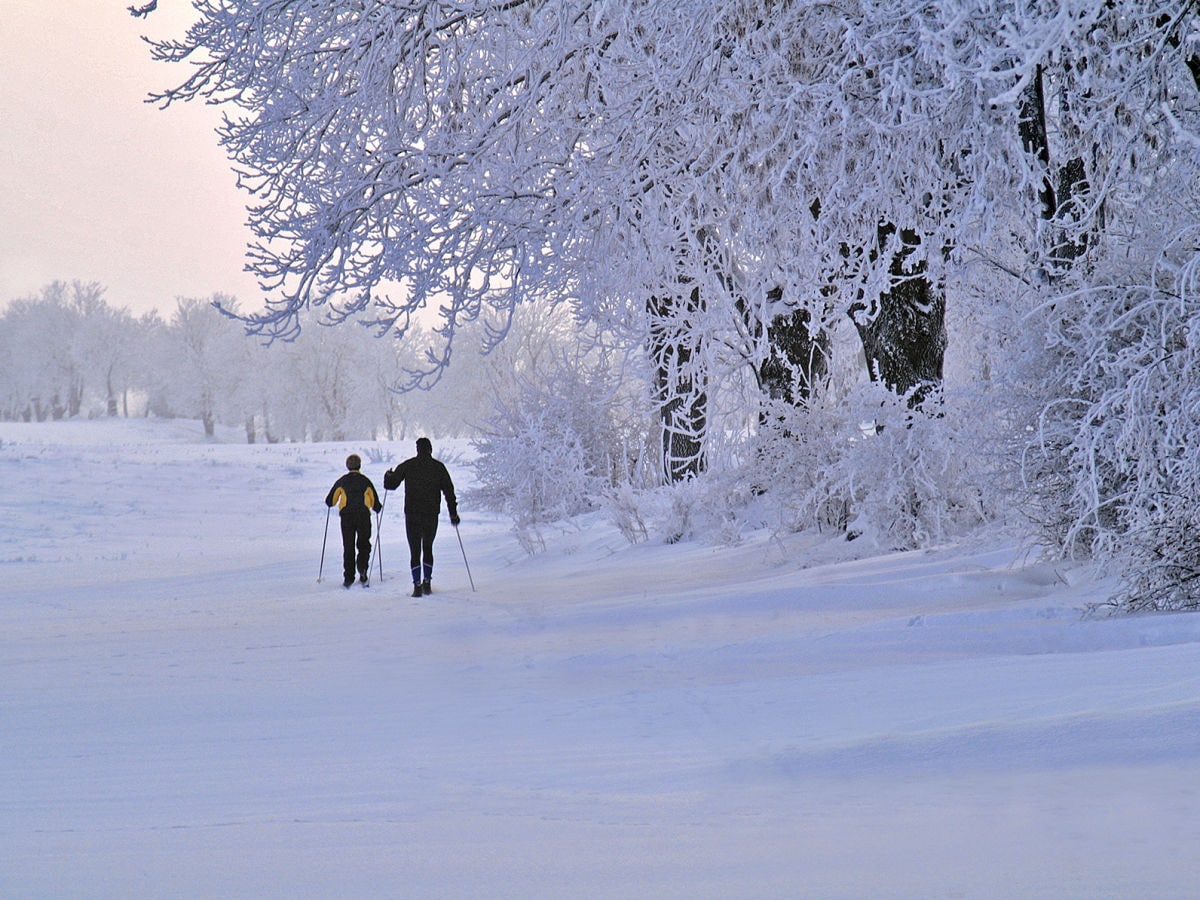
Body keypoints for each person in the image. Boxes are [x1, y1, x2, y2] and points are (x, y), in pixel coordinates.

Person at [384, 437, 460, 597]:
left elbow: (391, 486)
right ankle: (427, 583)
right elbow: (449, 491)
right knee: (428, 547)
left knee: (414, 550)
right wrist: (453, 513)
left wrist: (388, 476)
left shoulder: (408, 465)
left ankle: (417, 586)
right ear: (430, 449)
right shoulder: (439, 467)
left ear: (417, 449)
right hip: (431, 513)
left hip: (412, 513)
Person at [325, 453, 384, 588]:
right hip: (363, 516)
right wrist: (376, 508)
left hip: (346, 517)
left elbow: (330, 501)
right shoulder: (365, 481)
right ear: (360, 465)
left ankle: (348, 577)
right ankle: (362, 567)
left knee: (348, 546)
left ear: (347, 466)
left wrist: (332, 502)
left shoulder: (342, 481)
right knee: (364, 544)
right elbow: (375, 503)